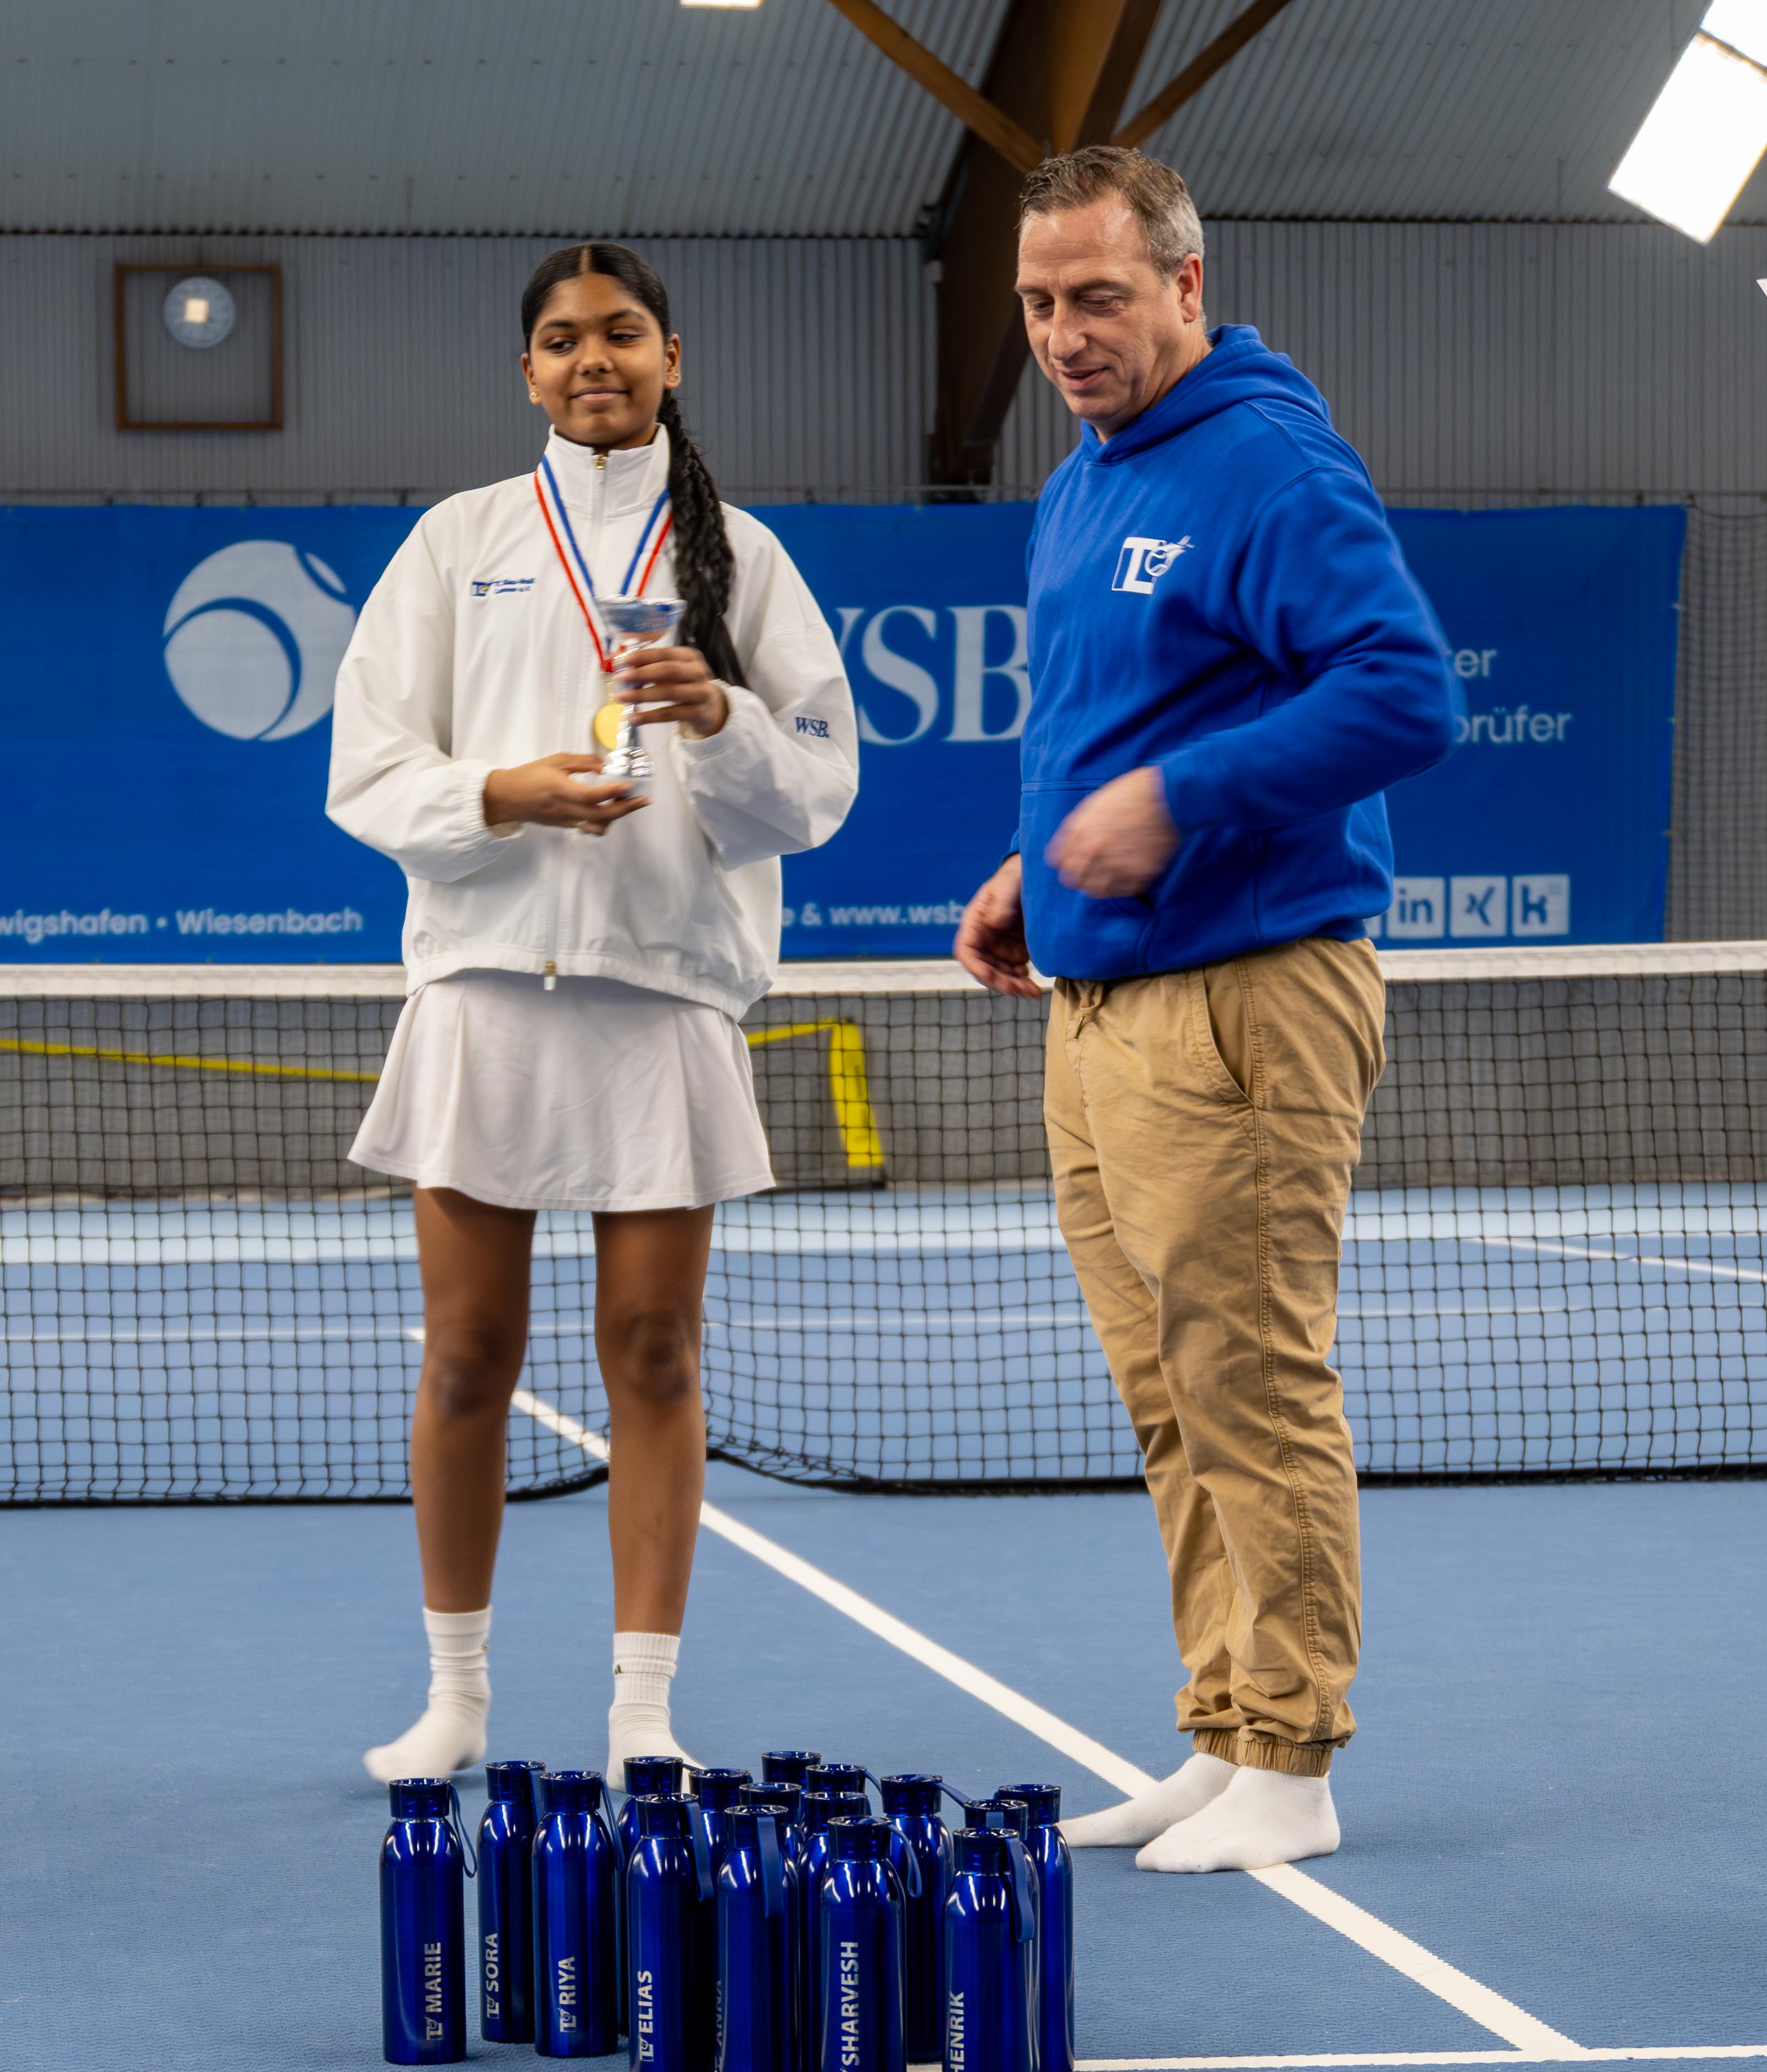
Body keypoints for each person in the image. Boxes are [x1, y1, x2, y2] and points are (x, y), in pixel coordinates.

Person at [957, 147, 1453, 1873]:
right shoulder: (1079, 483)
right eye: (1036, 303)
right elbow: (1113, 719)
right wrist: (1033, 867)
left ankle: (1293, 1762)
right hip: (1097, 1000)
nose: (1062, 334)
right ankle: (1225, 1725)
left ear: (1183, 284)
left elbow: (1404, 692)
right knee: (1168, 1391)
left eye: (1096, 296)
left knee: (1247, 1375)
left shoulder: (1264, 462)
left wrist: (1176, 800)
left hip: (1243, 990)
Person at [327, 241, 856, 1789]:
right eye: (562, 340)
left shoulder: (743, 558)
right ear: (528, 373)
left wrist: (723, 718)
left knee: (655, 1352)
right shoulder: (458, 541)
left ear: (670, 357)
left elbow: (816, 789)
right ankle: (455, 1699)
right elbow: (366, 767)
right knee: (466, 1356)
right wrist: (502, 795)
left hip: (663, 996)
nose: (593, 360)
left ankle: (641, 1713)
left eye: (621, 333)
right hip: (483, 991)